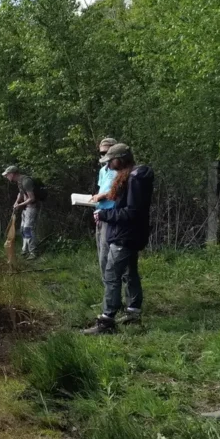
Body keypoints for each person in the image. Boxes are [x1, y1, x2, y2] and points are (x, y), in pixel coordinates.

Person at [84, 144, 154, 335]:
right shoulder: (127, 177)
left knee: (111, 275)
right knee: (130, 271)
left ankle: (106, 321)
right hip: (129, 233)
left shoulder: (134, 179)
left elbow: (132, 212)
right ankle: (133, 312)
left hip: (125, 235)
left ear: (120, 159)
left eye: (111, 160)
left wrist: (105, 215)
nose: (109, 164)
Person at [91, 138, 118, 281]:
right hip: (100, 214)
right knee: (101, 254)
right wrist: (96, 199)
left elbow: (121, 192)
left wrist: (104, 196)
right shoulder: (103, 170)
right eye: (101, 153)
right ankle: (107, 294)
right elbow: (102, 189)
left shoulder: (121, 171)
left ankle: (113, 298)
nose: (104, 156)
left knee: (109, 256)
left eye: (106, 152)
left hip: (113, 215)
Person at [2, 165, 39, 260]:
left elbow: (32, 198)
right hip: (25, 208)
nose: (6, 177)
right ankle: (25, 250)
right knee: (22, 229)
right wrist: (16, 202)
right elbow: (21, 193)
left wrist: (19, 205)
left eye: (7, 175)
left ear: (12, 174)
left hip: (31, 208)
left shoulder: (26, 181)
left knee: (28, 229)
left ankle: (33, 252)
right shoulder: (19, 181)